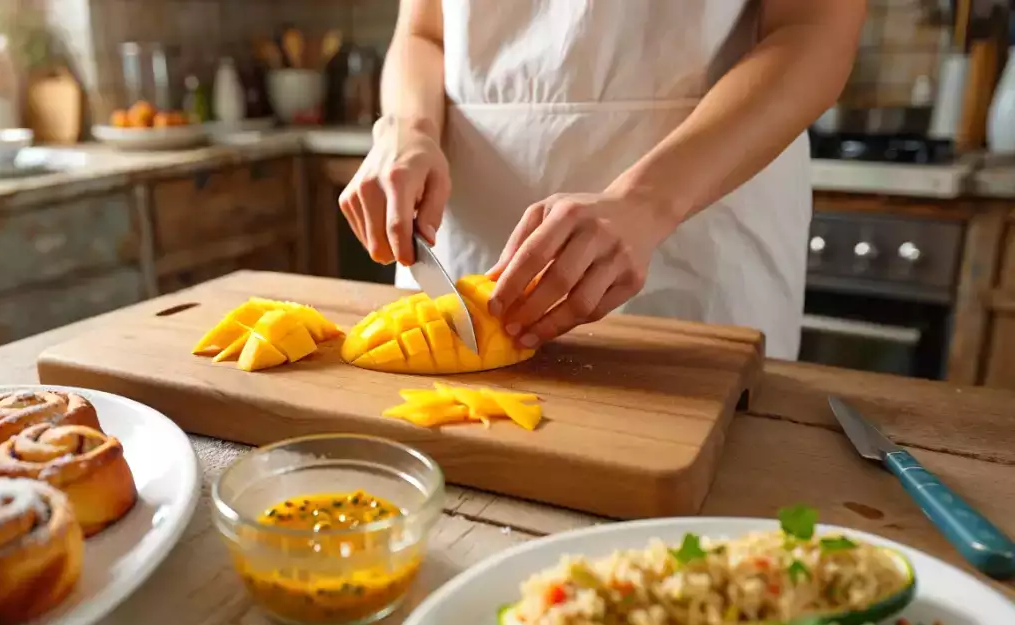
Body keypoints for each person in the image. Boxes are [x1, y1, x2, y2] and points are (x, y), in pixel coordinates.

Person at [338, 1, 865, 360]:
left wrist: (646, 200)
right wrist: (408, 126)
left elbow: (814, 30)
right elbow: (424, 30)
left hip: (698, 217)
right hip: (465, 226)